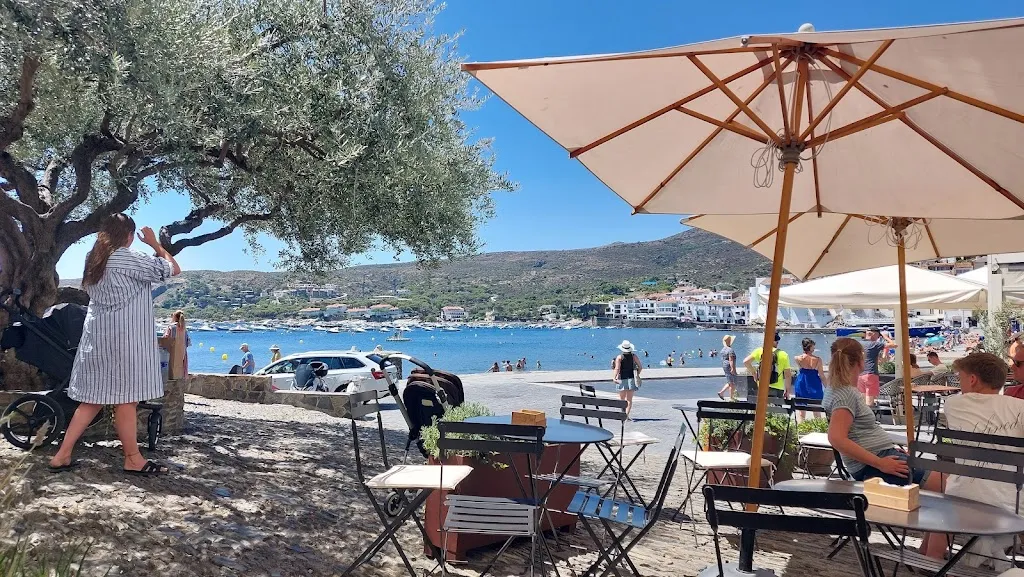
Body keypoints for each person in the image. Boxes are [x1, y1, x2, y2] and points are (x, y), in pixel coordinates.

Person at [48, 214, 180, 476]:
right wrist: (155, 244)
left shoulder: (93, 259)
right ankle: (132, 458)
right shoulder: (128, 258)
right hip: (125, 342)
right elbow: (173, 269)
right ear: (129, 236)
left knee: (91, 400)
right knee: (126, 400)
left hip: (97, 340)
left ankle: (62, 455)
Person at [920, 353, 1024, 563]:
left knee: (948, 493)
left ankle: (933, 559)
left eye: (961, 378)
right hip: (1013, 503)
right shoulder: (1019, 407)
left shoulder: (953, 405)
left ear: (973, 380)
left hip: (964, 498)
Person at [823, 338, 927, 486]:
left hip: (878, 457)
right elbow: (836, 438)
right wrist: (880, 463)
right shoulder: (845, 394)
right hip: (874, 464)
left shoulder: (835, 389)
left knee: (946, 479)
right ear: (860, 359)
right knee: (947, 482)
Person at [743, 332, 792, 400]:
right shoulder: (784, 355)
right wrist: (788, 390)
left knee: (762, 408)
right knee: (775, 409)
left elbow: (746, 362)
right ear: (777, 342)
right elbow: (787, 375)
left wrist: (754, 374)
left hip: (762, 386)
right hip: (778, 387)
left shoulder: (760, 351)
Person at [859, 326, 897, 406]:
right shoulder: (875, 344)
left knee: (862, 402)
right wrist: (886, 336)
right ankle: (869, 418)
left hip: (859, 375)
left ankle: (862, 417)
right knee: (869, 403)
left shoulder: (859, 344)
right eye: (878, 336)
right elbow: (894, 345)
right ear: (874, 334)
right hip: (870, 373)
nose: (879, 338)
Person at [793, 338, 825, 420]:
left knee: (801, 411)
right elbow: (822, 375)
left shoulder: (797, 358)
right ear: (810, 347)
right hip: (814, 384)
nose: (814, 349)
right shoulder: (818, 360)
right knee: (817, 410)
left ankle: (801, 428)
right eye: (813, 347)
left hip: (802, 382)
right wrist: (827, 387)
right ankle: (819, 428)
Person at [612, 340, 642, 418]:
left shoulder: (619, 357)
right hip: (631, 378)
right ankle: (626, 416)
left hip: (621, 378)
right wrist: (637, 374)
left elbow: (617, 368)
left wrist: (614, 377)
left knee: (622, 399)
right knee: (629, 400)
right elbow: (640, 367)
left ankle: (622, 414)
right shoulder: (634, 356)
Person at [162, 310, 191, 378]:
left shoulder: (171, 327)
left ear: (174, 317)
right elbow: (187, 343)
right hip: (182, 356)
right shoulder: (184, 330)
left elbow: (165, 339)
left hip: (171, 356)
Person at [716, 335, 739, 400]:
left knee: (730, 381)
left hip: (724, 366)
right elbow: (731, 360)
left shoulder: (723, 350)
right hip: (729, 366)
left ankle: (721, 392)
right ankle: (732, 398)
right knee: (732, 383)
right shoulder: (730, 350)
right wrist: (733, 368)